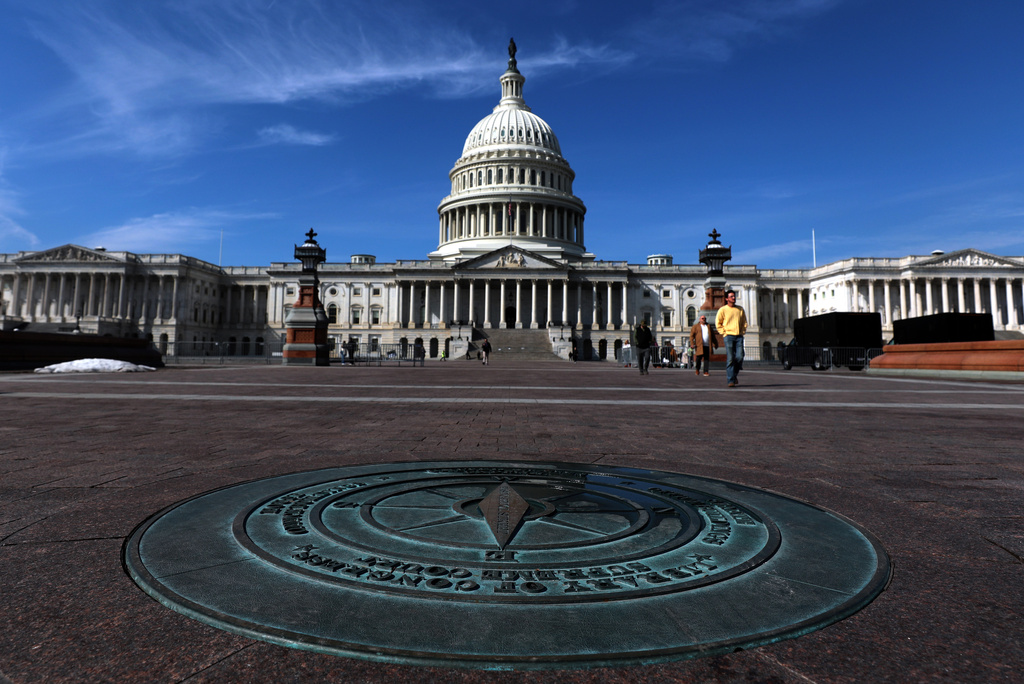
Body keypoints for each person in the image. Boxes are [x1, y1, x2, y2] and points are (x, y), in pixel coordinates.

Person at [714, 290, 748, 387]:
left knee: (740, 356)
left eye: (734, 296)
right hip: (728, 336)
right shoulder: (722, 310)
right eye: (731, 296)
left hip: (739, 336)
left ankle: (733, 375)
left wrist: (742, 332)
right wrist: (724, 333)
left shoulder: (740, 309)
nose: (734, 298)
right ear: (726, 298)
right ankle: (730, 381)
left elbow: (744, 322)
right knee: (730, 359)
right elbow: (718, 323)